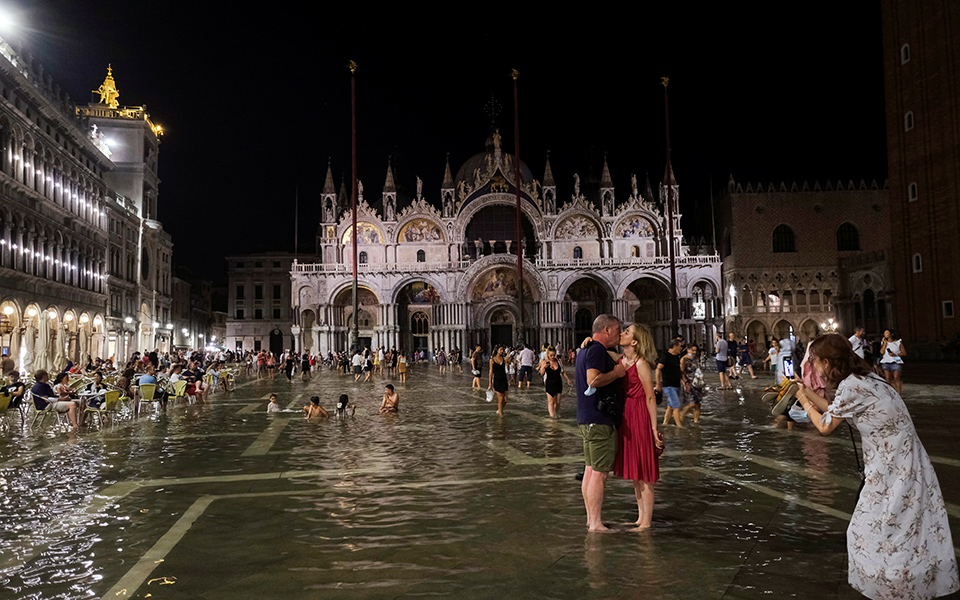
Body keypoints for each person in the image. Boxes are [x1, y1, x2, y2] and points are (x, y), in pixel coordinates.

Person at [794, 334, 959, 599]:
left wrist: (802, 401)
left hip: (893, 467)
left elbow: (825, 425)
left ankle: (890, 588)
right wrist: (805, 390)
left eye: (813, 361)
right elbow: (835, 409)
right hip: (902, 460)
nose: (812, 366)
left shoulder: (852, 386)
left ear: (826, 362)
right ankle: (909, 584)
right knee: (904, 527)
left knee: (870, 530)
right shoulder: (864, 378)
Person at [575, 314, 627, 533]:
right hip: (599, 419)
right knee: (599, 473)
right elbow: (593, 380)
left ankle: (591, 519)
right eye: (617, 330)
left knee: (590, 470)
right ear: (606, 330)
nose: (619, 333)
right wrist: (616, 373)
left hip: (587, 418)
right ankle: (596, 523)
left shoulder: (586, 349)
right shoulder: (596, 350)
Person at [609, 323, 661, 530]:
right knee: (636, 472)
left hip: (640, 414)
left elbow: (650, 397)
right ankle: (640, 517)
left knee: (644, 471)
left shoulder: (641, 364)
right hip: (627, 415)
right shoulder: (622, 360)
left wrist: (654, 429)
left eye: (627, 332)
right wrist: (591, 343)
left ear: (635, 342)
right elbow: (608, 353)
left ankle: (646, 522)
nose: (622, 333)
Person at [657, 337, 690, 428]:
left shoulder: (676, 357)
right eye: (680, 346)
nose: (681, 348)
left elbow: (679, 372)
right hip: (668, 385)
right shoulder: (665, 356)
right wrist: (658, 383)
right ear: (675, 346)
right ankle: (679, 426)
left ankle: (665, 423)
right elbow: (658, 369)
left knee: (671, 406)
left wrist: (685, 382)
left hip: (676, 384)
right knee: (676, 405)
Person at [538, 346, 572, 418]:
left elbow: (562, 372)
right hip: (549, 383)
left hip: (558, 383)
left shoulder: (558, 361)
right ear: (548, 355)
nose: (553, 357)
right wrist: (543, 367)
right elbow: (541, 373)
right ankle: (552, 418)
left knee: (558, 402)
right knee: (551, 402)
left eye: (554, 355)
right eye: (551, 355)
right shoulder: (545, 362)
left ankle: (556, 414)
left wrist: (568, 379)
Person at [680, 344, 705, 423]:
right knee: (692, 403)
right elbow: (681, 372)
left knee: (697, 403)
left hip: (697, 383)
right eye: (692, 350)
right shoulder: (684, 359)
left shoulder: (695, 359)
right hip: (689, 383)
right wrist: (685, 383)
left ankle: (696, 421)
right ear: (688, 349)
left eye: (695, 350)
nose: (694, 352)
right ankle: (681, 415)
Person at [879, 329, 906, 394]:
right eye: (884, 333)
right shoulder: (883, 342)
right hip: (886, 361)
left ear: (891, 334)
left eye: (887, 333)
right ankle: (888, 392)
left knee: (896, 377)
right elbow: (882, 352)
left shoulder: (898, 342)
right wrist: (885, 344)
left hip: (896, 359)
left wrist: (895, 354)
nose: (885, 334)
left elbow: (904, 353)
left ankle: (898, 393)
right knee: (887, 378)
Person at [488, 346, 509, 416]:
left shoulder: (504, 359)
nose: (502, 351)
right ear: (497, 350)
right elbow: (491, 373)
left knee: (505, 399)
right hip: (497, 380)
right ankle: (501, 416)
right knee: (500, 398)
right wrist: (490, 384)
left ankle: (499, 409)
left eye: (502, 350)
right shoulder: (492, 360)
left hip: (504, 380)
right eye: (501, 349)